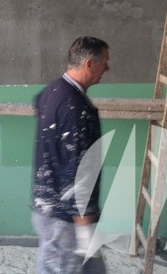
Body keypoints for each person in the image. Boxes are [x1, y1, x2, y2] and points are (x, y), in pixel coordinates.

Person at [32, 36, 110, 273]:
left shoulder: (53, 90)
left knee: (93, 269)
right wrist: (82, 219)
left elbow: (37, 103)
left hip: (51, 206)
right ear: (89, 64)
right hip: (64, 217)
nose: (107, 68)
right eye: (104, 62)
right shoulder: (75, 108)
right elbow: (76, 167)